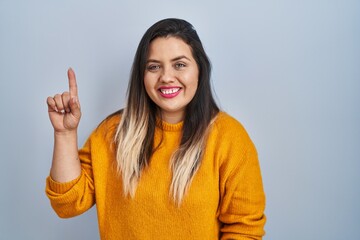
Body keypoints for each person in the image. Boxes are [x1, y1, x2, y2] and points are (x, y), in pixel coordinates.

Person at [45, 18, 266, 239]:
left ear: (200, 69)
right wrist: (64, 134)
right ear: (142, 76)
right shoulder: (113, 133)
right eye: (154, 67)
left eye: (180, 64)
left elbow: (244, 230)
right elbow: (68, 204)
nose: (166, 77)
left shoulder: (230, 138)